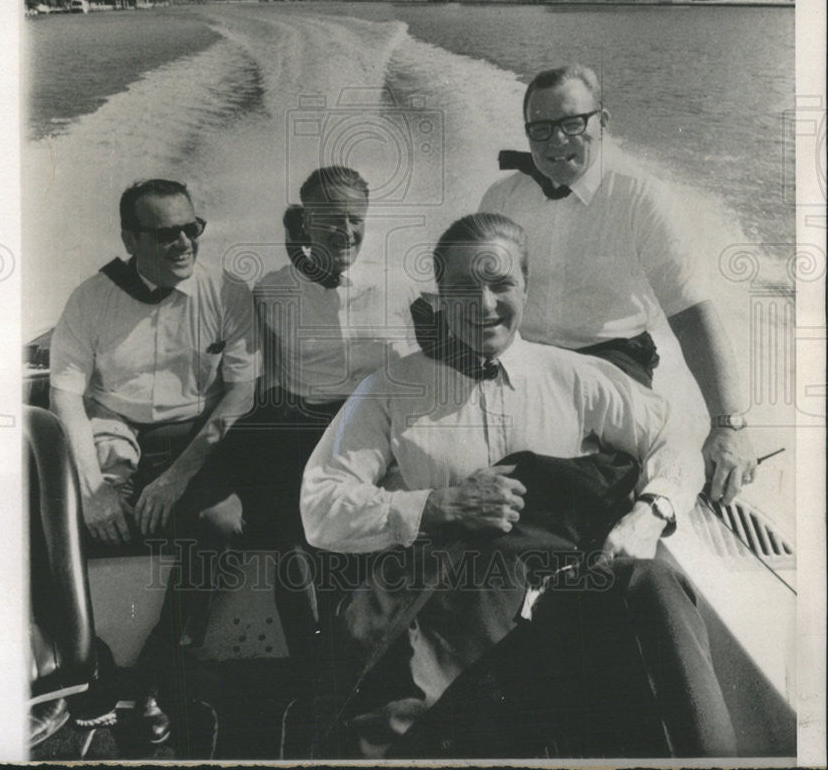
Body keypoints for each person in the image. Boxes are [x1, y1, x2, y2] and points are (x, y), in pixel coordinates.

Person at [301, 213, 735, 758]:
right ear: (439, 295)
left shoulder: (574, 377)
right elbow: (320, 507)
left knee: (650, 585)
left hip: (561, 610)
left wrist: (648, 513)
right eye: (463, 288)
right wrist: (436, 506)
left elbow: (672, 435)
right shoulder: (389, 390)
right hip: (446, 624)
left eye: (501, 284)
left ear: (526, 288)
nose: (484, 306)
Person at [478, 64, 756, 504]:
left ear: (602, 123)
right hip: (521, 358)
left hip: (610, 361)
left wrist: (728, 426)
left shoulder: (641, 197)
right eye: (541, 129)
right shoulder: (501, 199)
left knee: (590, 481)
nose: (556, 141)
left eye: (572, 124)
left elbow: (690, 312)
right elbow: (482, 300)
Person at [197, 166, 415, 657]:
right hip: (305, 431)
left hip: (379, 433)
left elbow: (424, 369)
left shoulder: (397, 287)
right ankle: (312, 672)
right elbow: (246, 375)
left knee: (393, 531)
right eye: (332, 219)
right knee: (298, 541)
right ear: (305, 224)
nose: (347, 232)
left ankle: (378, 660)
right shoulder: (272, 293)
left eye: (356, 219)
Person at [49, 178, 258, 647]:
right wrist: (94, 492)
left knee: (221, 524)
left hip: (193, 439)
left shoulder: (226, 292)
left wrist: (176, 478)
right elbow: (64, 397)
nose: (185, 243)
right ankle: (86, 656)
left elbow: (241, 393)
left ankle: (166, 658)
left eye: (192, 227)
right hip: (112, 430)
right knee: (72, 525)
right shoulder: (90, 300)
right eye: (167, 233)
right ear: (131, 240)